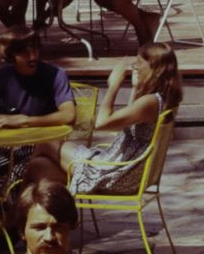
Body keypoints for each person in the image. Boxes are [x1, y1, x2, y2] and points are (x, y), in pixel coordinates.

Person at [0, 30, 76, 189]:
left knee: (15, 180)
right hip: (12, 148)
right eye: (25, 54)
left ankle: (10, 211)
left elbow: (69, 115)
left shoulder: (56, 74)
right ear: (12, 56)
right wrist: (4, 120)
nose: (33, 57)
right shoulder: (2, 75)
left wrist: (24, 120)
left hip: (43, 148)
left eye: (35, 50)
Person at [60, 42, 181, 195]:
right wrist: (136, 89)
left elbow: (101, 123)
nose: (134, 67)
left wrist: (113, 85)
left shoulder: (150, 102)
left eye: (138, 62)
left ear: (153, 67)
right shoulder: (163, 99)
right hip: (129, 174)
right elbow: (128, 126)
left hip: (117, 175)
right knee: (41, 166)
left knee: (48, 146)